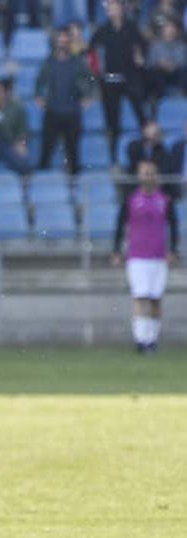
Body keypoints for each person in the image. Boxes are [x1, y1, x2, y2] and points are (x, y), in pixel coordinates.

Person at [113, 159, 177, 353]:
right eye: (144, 172)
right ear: (139, 175)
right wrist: (116, 251)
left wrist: (173, 250)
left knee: (155, 299)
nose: (148, 176)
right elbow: (119, 226)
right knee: (140, 297)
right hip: (137, 257)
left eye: (151, 172)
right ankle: (140, 340)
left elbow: (173, 227)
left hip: (158, 257)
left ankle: (152, 339)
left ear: (155, 175)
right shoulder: (131, 200)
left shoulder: (164, 200)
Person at [90, 0, 147, 162]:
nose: (112, 10)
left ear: (122, 9)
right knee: (112, 119)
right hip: (111, 77)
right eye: (109, 8)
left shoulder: (131, 27)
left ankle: (147, 145)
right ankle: (112, 153)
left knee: (140, 112)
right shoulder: (103, 29)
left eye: (115, 7)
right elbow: (91, 50)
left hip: (130, 76)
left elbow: (142, 46)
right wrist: (97, 69)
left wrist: (140, 55)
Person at [37, 26, 97, 174]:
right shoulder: (48, 62)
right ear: (55, 42)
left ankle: (75, 187)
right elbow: (39, 82)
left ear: (69, 42)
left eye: (65, 39)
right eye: (59, 40)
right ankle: (40, 185)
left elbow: (91, 79)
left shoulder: (78, 62)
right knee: (46, 151)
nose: (62, 43)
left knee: (73, 153)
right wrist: (38, 96)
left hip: (72, 112)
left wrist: (89, 96)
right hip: (52, 112)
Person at [145, 19, 187, 104]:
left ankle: (182, 93)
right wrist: (159, 63)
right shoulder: (155, 46)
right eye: (167, 31)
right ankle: (157, 95)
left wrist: (173, 65)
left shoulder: (181, 46)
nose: (170, 33)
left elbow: (183, 61)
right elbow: (149, 63)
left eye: (172, 31)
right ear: (163, 32)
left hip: (176, 73)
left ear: (176, 32)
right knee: (155, 72)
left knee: (184, 71)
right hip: (160, 72)